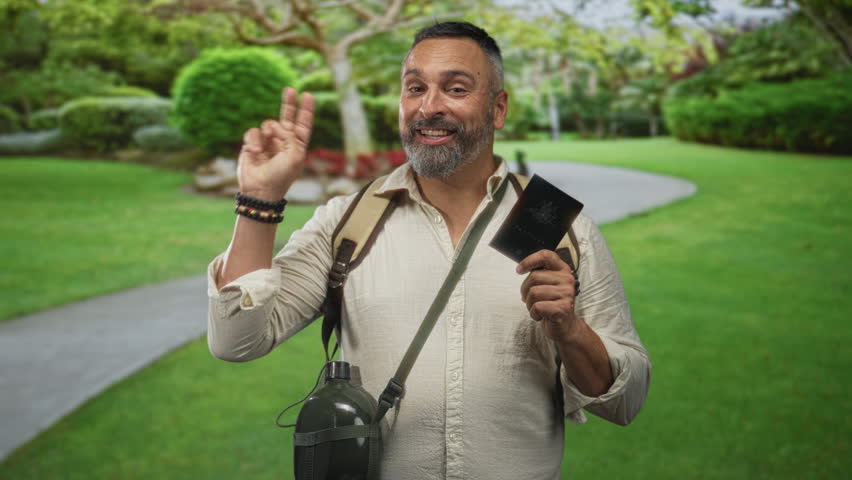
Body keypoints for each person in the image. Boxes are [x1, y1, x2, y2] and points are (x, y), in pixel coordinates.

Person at [207, 21, 650, 479]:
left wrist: (571, 331)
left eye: (456, 88)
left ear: (498, 109)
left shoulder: (556, 223)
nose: (429, 106)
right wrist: (259, 200)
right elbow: (236, 340)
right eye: (414, 88)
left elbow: (626, 401)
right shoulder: (349, 222)